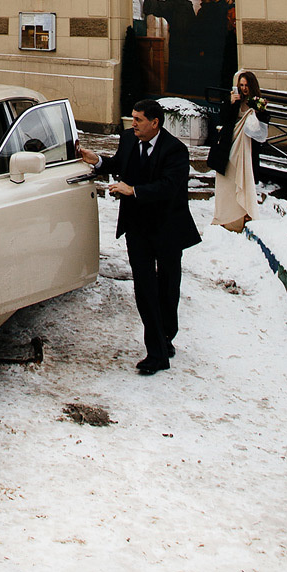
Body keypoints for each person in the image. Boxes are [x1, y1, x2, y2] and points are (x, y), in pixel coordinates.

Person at [78, 98, 201, 375]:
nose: (132, 124)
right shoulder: (128, 139)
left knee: (168, 288)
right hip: (137, 228)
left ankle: (165, 336)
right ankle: (156, 353)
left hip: (168, 228)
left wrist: (133, 191)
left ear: (155, 123)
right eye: (131, 118)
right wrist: (96, 160)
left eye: (138, 120)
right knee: (144, 288)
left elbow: (169, 187)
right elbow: (119, 165)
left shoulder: (176, 151)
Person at [207, 70, 268, 232]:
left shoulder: (257, 102)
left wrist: (260, 108)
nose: (244, 88)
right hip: (229, 144)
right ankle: (227, 216)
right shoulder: (233, 100)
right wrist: (231, 103)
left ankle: (244, 214)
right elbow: (225, 120)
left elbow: (263, 125)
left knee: (245, 178)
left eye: (247, 85)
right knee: (227, 178)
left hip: (247, 147)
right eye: (241, 85)